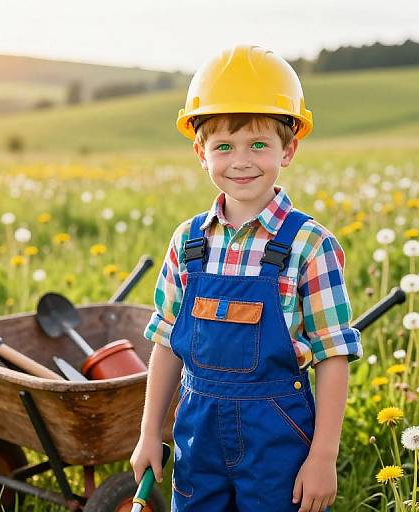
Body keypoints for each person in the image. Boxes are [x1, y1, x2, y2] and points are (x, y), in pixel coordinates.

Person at [130, 44, 363, 512]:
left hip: (277, 440)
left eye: (259, 144)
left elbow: (332, 356)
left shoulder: (309, 245)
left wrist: (323, 455)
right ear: (201, 152)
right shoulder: (187, 241)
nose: (241, 160)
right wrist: (149, 433)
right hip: (198, 436)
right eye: (223, 146)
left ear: (289, 148)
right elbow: (166, 342)